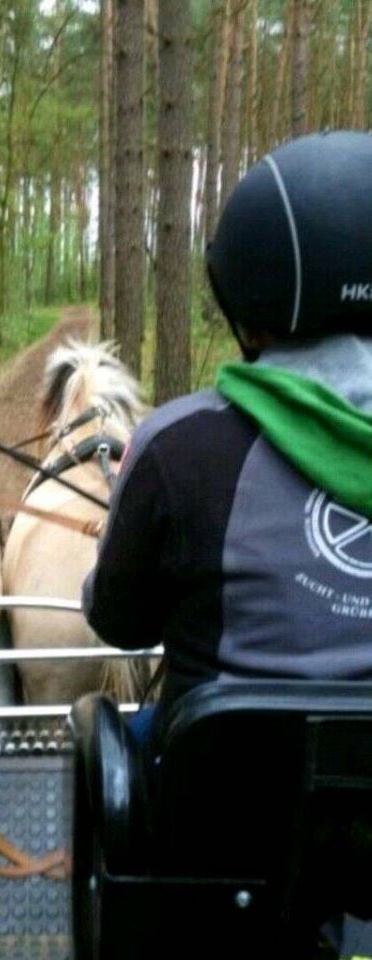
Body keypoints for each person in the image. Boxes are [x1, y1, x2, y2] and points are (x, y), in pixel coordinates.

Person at [83, 130, 372, 752]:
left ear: (245, 294)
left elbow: (119, 622)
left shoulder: (178, 447)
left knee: (112, 746)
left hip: (224, 825)